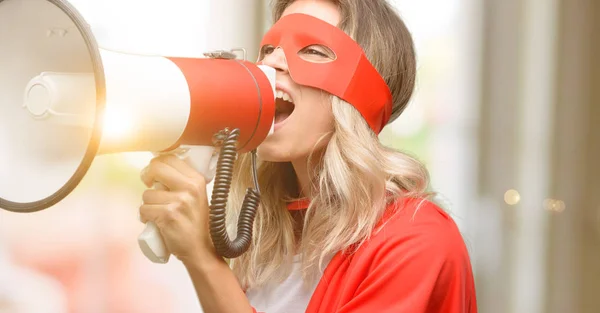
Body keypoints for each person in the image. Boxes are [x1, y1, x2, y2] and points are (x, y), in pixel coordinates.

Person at [139, 0, 478, 312]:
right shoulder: (272, 239)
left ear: (361, 93)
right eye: (269, 48)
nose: (270, 63)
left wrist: (204, 260)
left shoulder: (417, 241)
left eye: (312, 50)